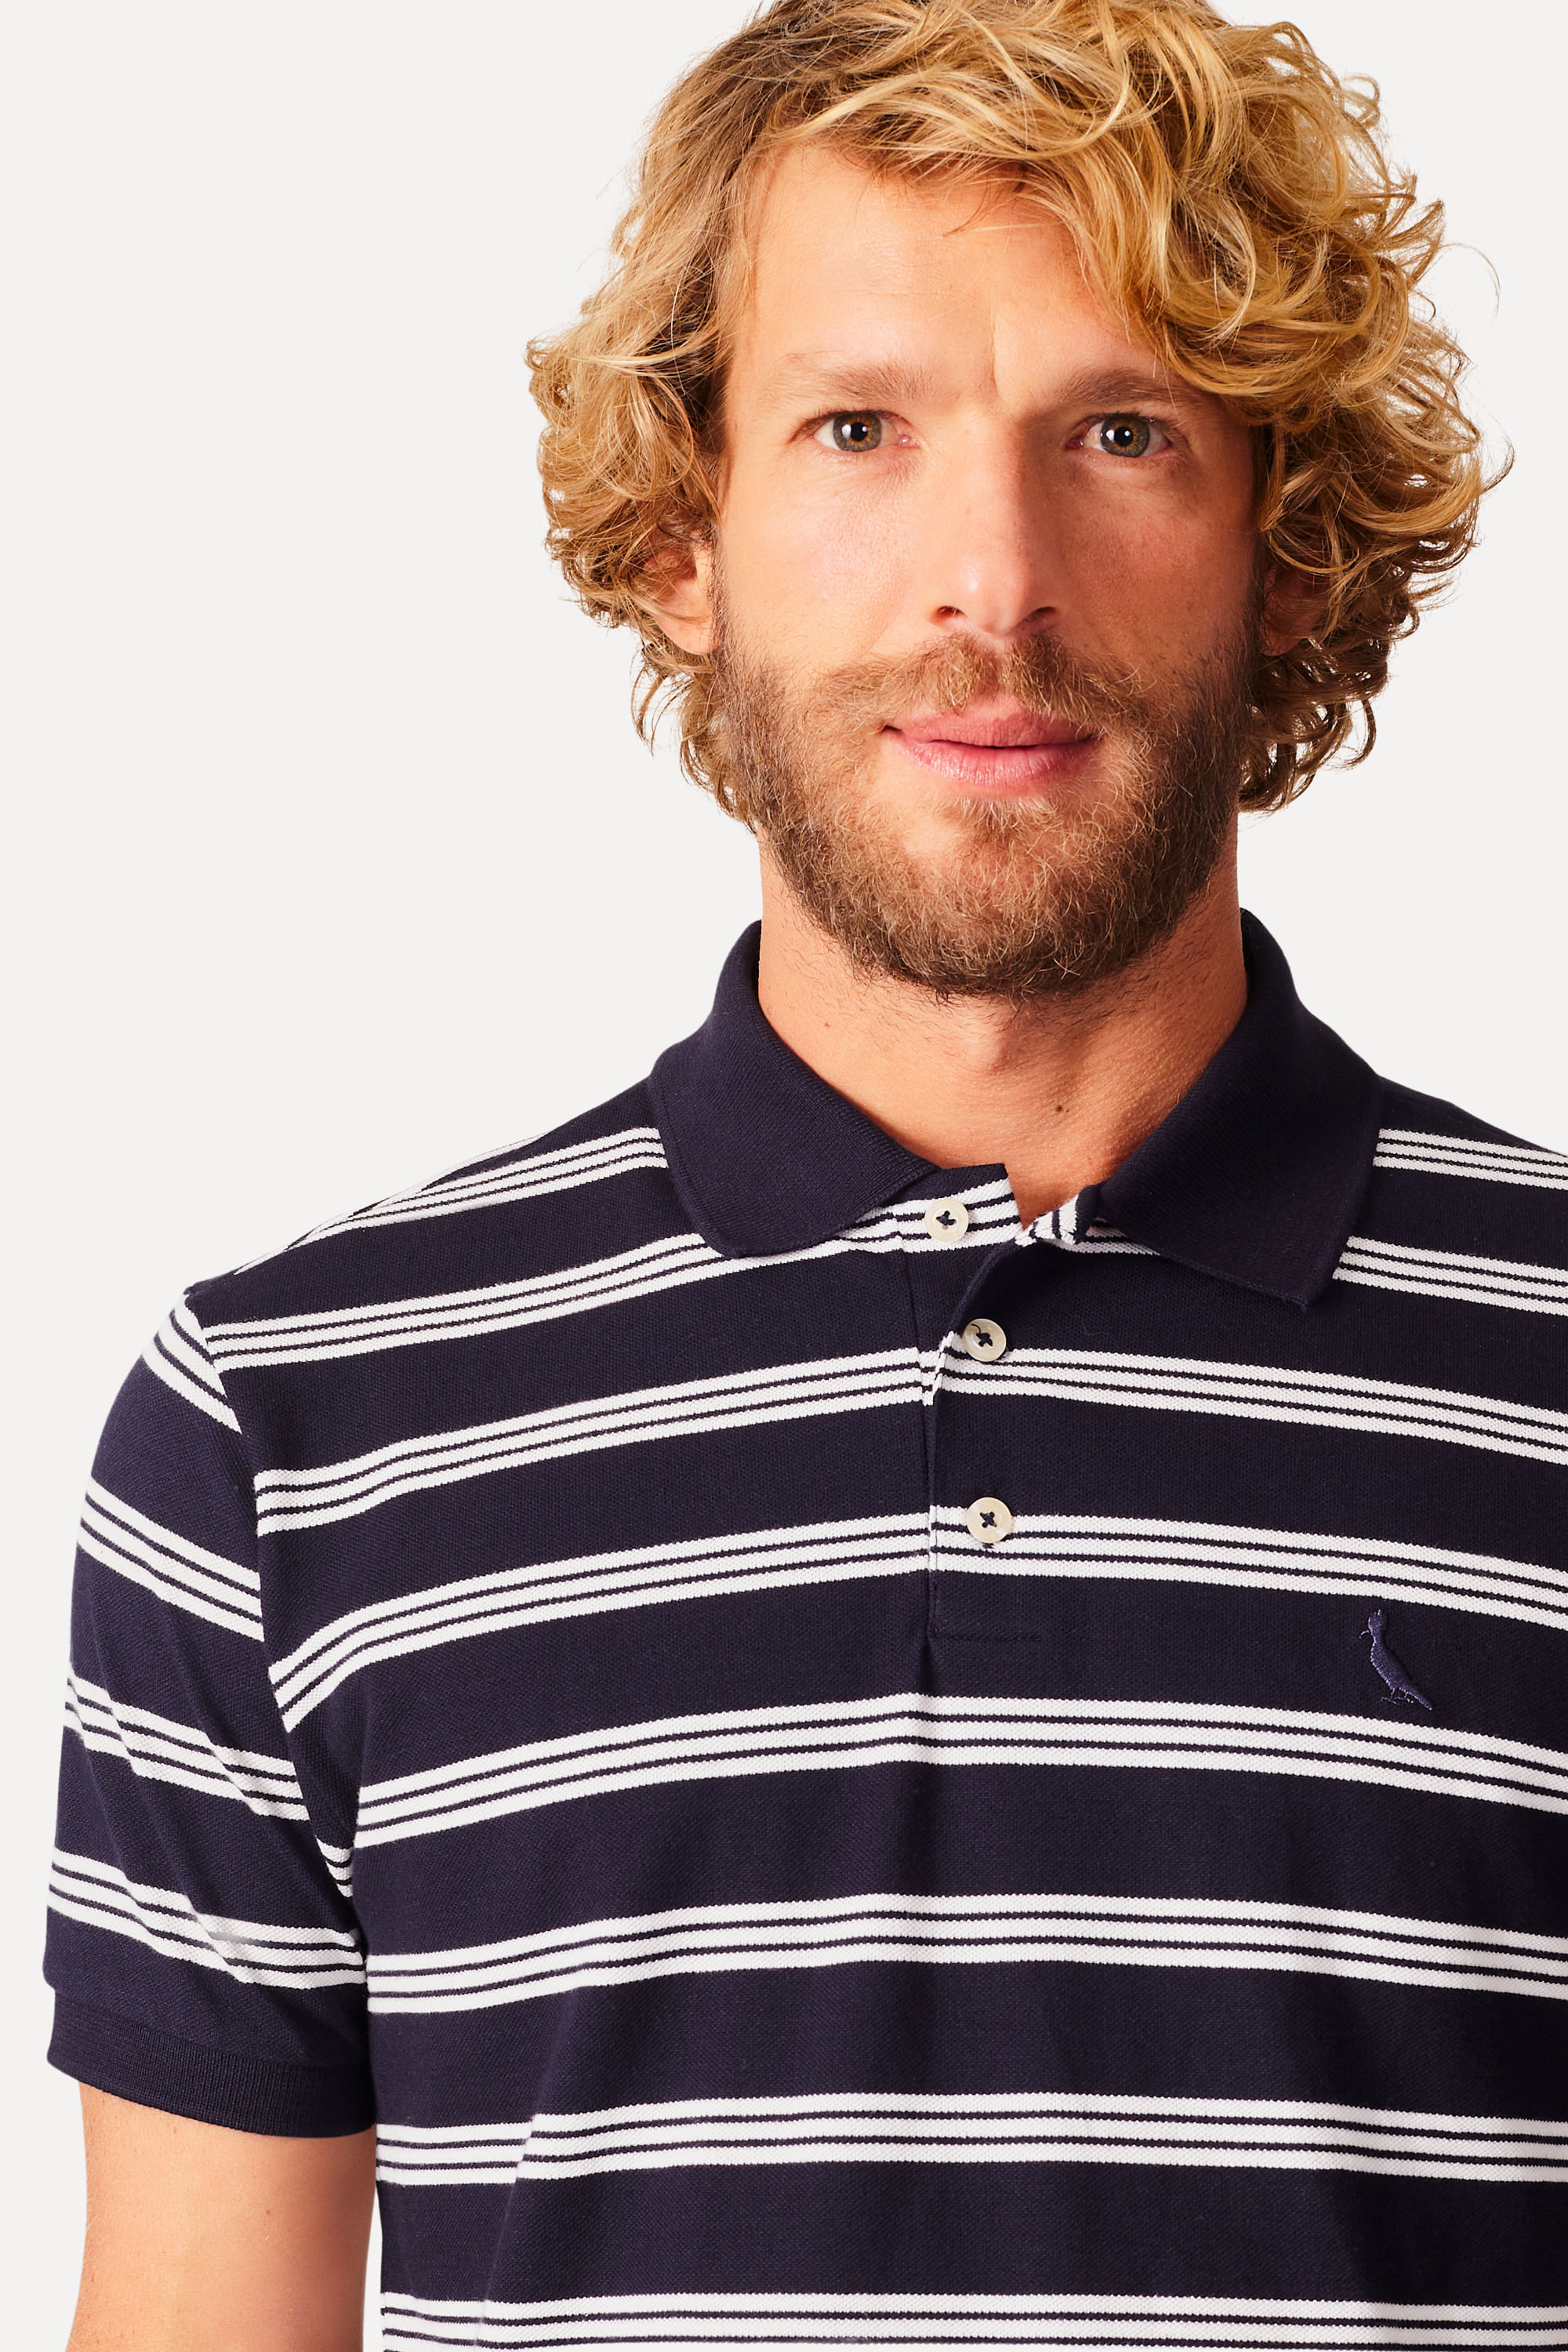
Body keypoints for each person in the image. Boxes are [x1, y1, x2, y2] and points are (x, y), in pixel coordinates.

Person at [47, 2, 1566, 2344]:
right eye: (860, 429)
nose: (994, 576)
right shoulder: (288, 1428)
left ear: (1283, 546)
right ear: (687, 536)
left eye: (1124, 432)